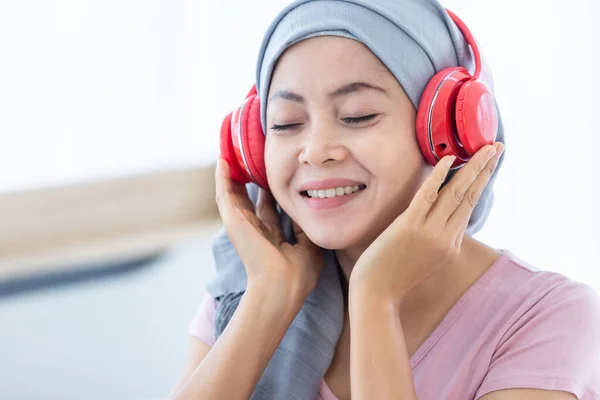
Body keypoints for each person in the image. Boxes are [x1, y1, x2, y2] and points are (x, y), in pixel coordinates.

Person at [170, 1, 600, 399]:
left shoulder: (549, 319)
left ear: (446, 129)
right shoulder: (244, 294)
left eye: (358, 115)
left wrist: (376, 299)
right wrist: (268, 298)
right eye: (286, 123)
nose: (317, 150)